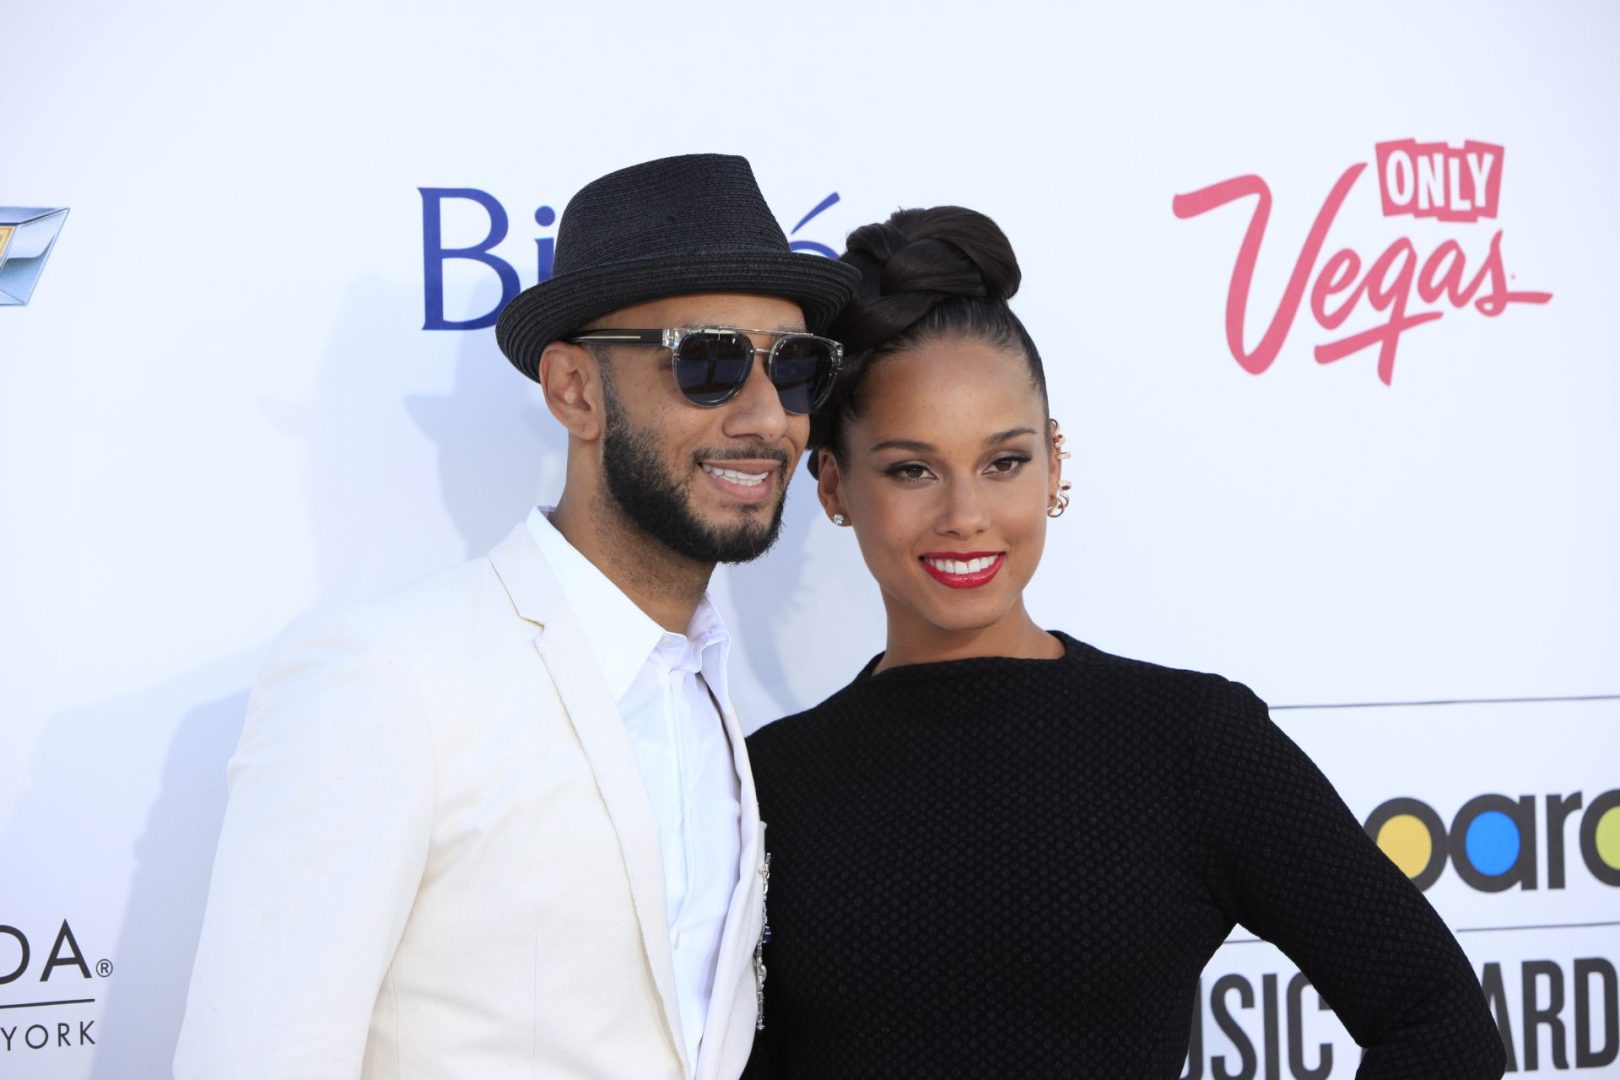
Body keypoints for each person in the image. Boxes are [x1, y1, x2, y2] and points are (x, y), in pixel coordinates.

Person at [741, 207, 1506, 1078]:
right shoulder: (771, 784)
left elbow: (1439, 1025)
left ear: (1055, 464)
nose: (966, 516)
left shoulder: (1188, 741)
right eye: (912, 469)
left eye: (1005, 462)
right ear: (834, 484)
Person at [174, 153, 859, 1080]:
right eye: (707, 360)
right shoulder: (387, 676)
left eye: (796, 368)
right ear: (574, 390)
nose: (766, 415)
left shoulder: (709, 697)